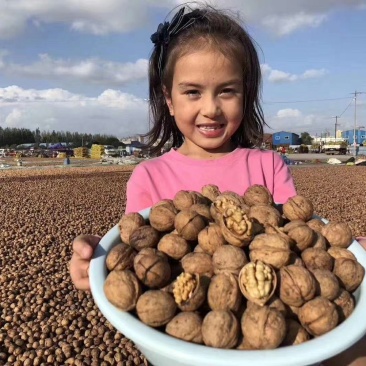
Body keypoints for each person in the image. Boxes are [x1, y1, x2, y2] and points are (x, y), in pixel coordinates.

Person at [70, 5, 366, 365]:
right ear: (168, 98)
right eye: (193, 92)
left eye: (226, 91)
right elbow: (132, 252)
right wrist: (95, 259)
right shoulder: (149, 177)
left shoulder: (269, 166)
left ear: (247, 93)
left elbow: (300, 236)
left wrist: (353, 250)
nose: (210, 108)